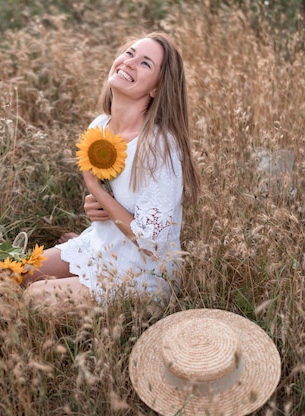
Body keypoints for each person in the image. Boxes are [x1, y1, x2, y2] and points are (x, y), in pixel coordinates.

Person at [23, 32, 201, 305]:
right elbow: (115, 200)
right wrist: (96, 207)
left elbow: (154, 246)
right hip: (100, 245)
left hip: (144, 273)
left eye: (145, 64)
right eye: (130, 53)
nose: (129, 62)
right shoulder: (99, 127)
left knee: (35, 299)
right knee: (19, 273)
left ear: (156, 88)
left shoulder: (159, 148)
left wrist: (97, 191)